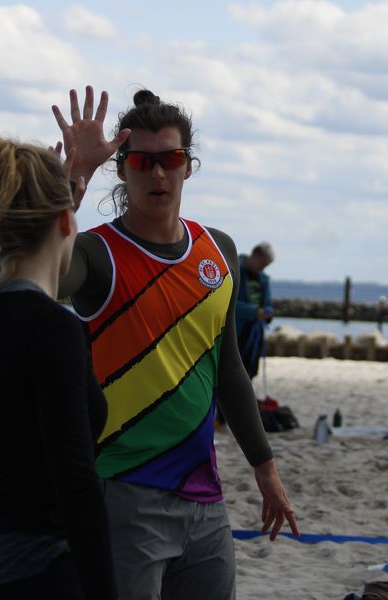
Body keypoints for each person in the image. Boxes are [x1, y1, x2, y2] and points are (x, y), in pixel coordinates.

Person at [52, 86, 299, 599]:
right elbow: (37, 276)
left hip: (204, 498)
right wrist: (73, 183)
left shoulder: (219, 251)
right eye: (142, 161)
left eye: (171, 159)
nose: (158, 174)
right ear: (122, 169)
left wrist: (265, 468)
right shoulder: (97, 254)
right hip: (124, 492)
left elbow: (229, 369)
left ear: (189, 166)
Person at [0, 137, 116, 599]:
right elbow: (76, 484)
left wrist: (63, 192)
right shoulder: (54, 330)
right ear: (65, 221)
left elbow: (9, 262)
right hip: (39, 573)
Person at [235, 242, 275, 379]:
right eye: (262, 264)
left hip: (255, 330)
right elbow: (229, 302)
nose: (263, 268)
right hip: (237, 329)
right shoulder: (234, 269)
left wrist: (268, 313)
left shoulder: (263, 278)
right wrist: (254, 312)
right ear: (254, 255)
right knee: (233, 367)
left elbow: (268, 303)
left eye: (265, 266)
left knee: (250, 368)